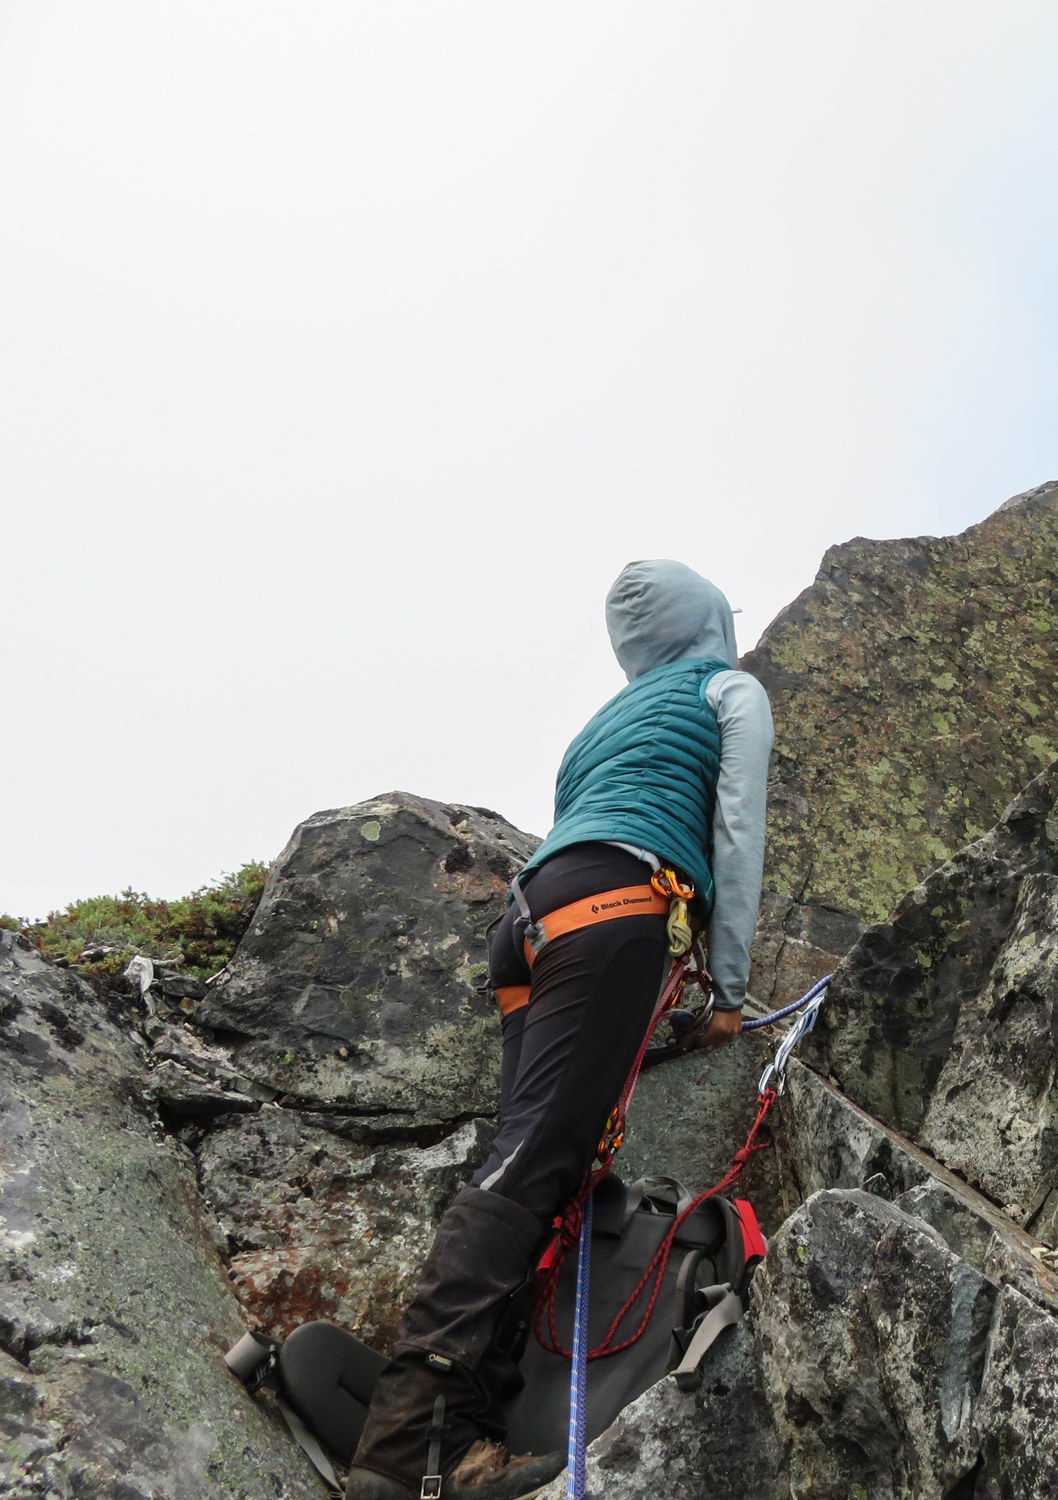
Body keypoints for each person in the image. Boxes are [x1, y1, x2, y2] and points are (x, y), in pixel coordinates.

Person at [345, 560, 773, 1500]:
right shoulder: (727, 689)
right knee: (536, 1164)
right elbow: (737, 830)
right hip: (619, 912)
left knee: (538, 1162)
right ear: (707, 619)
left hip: (530, 919)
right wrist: (728, 992)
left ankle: (472, 1422)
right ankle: (405, 1447)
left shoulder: (600, 724)